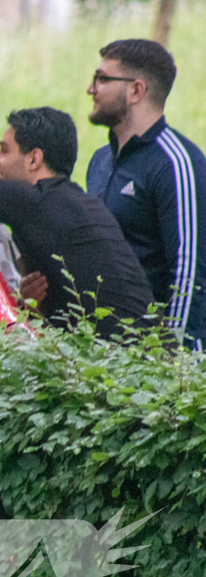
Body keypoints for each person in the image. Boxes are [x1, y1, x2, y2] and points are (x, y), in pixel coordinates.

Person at [0, 107, 154, 339]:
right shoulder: (79, 205)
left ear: (34, 159)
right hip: (149, 360)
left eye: (4, 151)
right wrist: (32, 306)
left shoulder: (36, 201)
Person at [86, 38, 206, 350]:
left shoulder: (178, 164)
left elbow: (189, 269)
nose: (91, 89)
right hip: (105, 352)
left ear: (136, 90)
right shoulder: (100, 160)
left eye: (102, 79)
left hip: (155, 362)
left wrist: (175, 363)